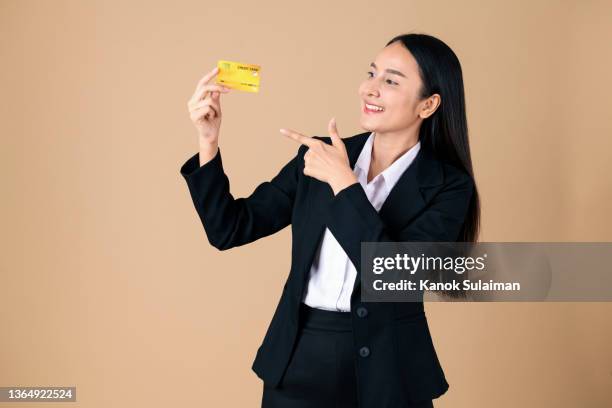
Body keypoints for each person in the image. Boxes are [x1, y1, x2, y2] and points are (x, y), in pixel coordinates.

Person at [180, 33, 480, 408]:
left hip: (392, 369)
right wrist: (208, 141)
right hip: (299, 357)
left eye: (390, 81)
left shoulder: (449, 186)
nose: (369, 89)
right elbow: (229, 229)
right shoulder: (318, 155)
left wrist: (344, 184)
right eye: (371, 73)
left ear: (428, 104)